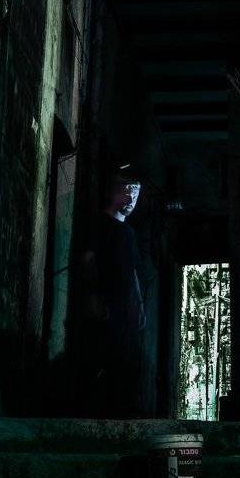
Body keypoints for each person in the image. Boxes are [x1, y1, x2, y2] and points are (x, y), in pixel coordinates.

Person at [82, 167, 146, 416]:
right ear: (113, 193)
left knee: (123, 362)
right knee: (101, 359)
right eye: (127, 192)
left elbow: (133, 272)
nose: (131, 199)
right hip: (105, 306)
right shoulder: (100, 224)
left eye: (135, 194)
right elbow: (88, 260)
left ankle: (120, 413)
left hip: (125, 312)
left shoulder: (129, 233)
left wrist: (139, 305)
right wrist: (93, 296)